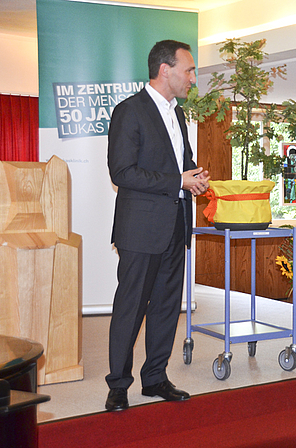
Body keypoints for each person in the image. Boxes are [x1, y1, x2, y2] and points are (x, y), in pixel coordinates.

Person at [105, 40, 210, 412]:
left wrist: (194, 176)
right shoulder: (129, 111)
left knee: (167, 307)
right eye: (189, 70)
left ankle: (155, 378)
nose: (193, 78)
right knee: (131, 307)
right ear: (165, 70)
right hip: (140, 229)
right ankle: (118, 384)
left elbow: (179, 162)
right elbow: (122, 171)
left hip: (175, 227)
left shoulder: (178, 114)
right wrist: (177, 181)